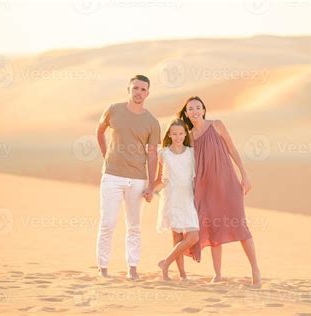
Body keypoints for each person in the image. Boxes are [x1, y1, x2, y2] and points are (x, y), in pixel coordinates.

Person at [179, 96, 261, 287]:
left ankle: (255, 269)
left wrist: (244, 174)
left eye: (198, 107)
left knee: (240, 226)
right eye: (191, 109)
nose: (195, 111)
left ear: (204, 109)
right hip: (204, 187)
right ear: (186, 113)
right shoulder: (188, 136)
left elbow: (231, 148)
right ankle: (218, 273)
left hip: (227, 184)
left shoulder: (216, 125)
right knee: (214, 229)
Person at [95, 75, 161, 280]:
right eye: (135, 88)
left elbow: (152, 155)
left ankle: (132, 268)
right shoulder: (113, 109)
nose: (138, 92)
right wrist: (106, 156)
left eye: (143, 89)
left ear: (148, 93)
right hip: (112, 176)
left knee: (134, 226)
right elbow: (100, 132)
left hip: (137, 180)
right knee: (107, 223)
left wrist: (151, 185)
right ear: (129, 89)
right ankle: (103, 268)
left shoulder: (152, 122)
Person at [153, 119, 199, 281]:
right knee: (177, 238)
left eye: (181, 133)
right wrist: (149, 190)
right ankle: (182, 275)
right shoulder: (163, 153)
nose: (178, 137)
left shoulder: (191, 152)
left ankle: (166, 263)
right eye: (174, 134)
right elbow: (159, 179)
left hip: (187, 197)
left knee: (193, 236)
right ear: (169, 135)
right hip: (171, 197)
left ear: (185, 134)